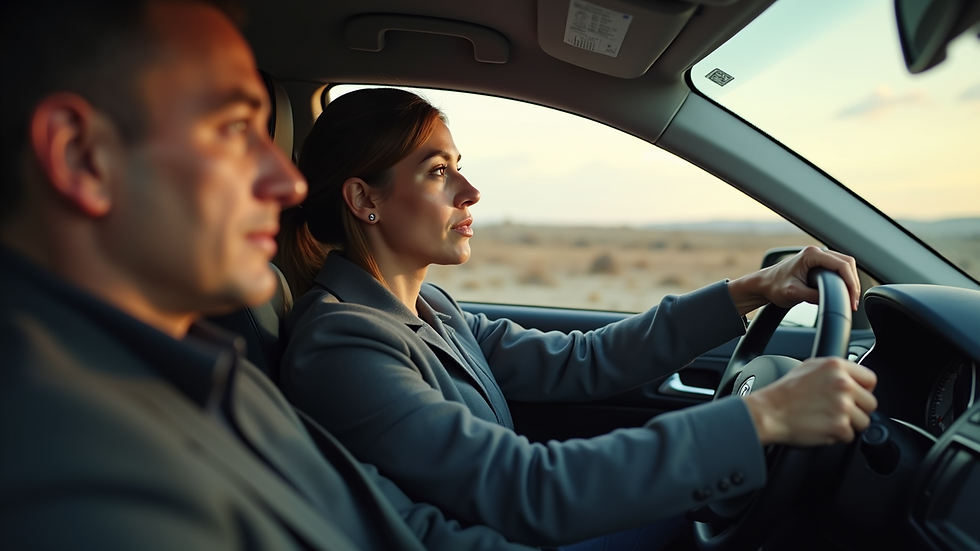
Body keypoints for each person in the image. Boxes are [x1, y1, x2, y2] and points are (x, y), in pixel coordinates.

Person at [0, 2, 539, 550]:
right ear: (81, 156)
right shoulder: (64, 473)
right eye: (234, 128)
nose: (290, 183)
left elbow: (397, 528)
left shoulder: (224, 377)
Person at [276, 88, 880, 550]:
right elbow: (521, 488)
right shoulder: (343, 342)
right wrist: (764, 417)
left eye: (458, 165)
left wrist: (753, 289)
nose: (470, 190)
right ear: (365, 199)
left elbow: (582, 360)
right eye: (438, 171)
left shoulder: (431, 308)